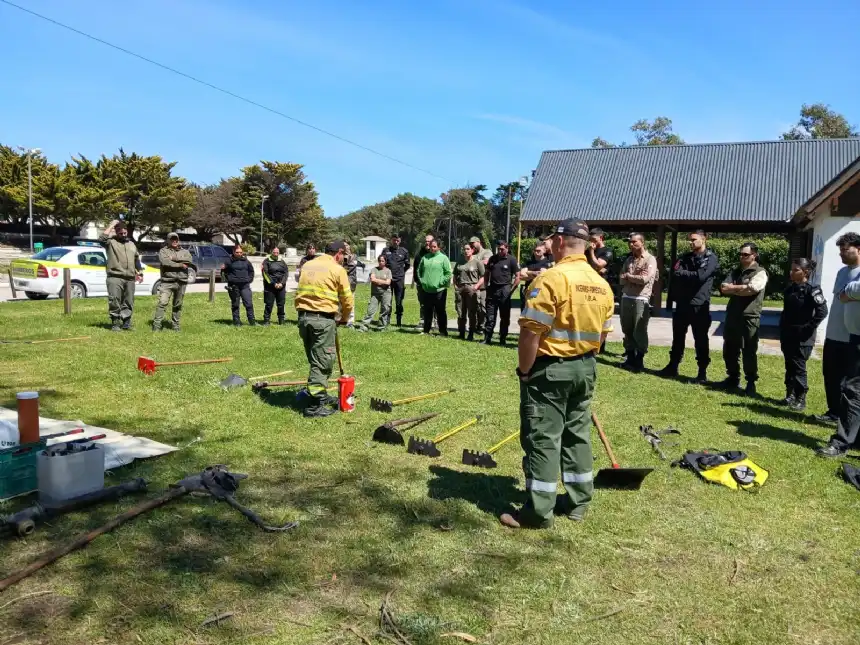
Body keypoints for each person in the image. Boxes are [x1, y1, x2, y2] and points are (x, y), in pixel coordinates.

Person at [500, 219, 614, 530]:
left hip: (550, 371)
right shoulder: (601, 284)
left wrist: (525, 372)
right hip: (586, 367)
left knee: (543, 438)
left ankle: (538, 512)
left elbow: (530, 336)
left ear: (560, 242)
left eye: (552, 240)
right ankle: (578, 503)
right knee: (577, 435)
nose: (549, 245)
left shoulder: (551, 279)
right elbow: (602, 336)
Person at [294, 240, 354, 418]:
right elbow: (347, 300)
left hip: (304, 319)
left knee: (315, 358)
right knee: (323, 361)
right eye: (343, 255)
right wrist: (343, 318)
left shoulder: (308, 265)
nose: (343, 259)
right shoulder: (337, 269)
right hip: (323, 320)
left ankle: (318, 394)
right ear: (339, 253)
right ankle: (315, 405)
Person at [817, 232, 860, 457]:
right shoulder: (843, 272)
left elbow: (849, 293)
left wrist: (849, 292)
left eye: (846, 249)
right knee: (840, 384)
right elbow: (841, 298)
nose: (842, 253)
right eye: (841, 250)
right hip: (842, 334)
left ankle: (842, 442)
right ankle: (849, 432)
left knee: (852, 390)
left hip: (854, 338)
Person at [659, 230, 719, 383]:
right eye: (690, 240)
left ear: (704, 239)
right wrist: (688, 274)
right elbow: (675, 273)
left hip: (699, 305)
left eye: (694, 239)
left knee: (700, 339)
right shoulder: (685, 257)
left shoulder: (710, 258)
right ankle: (673, 366)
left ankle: (702, 371)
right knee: (678, 337)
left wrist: (685, 274)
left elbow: (701, 277)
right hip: (682, 304)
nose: (691, 242)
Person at [718, 243, 769, 395]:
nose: (742, 257)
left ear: (754, 255)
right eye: (740, 254)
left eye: (745, 254)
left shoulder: (760, 272)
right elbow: (723, 288)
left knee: (748, 350)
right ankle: (733, 377)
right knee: (730, 348)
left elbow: (753, 289)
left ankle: (751, 382)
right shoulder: (736, 271)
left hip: (749, 316)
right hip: (733, 314)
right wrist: (741, 288)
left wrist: (734, 288)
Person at [779, 258, 828, 411]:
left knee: (799, 366)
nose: (791, 273)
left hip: (803, 336)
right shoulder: (790, 289)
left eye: (796, 270)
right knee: (789, 364)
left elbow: (822, 311)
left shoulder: (812, 289)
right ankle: (790, 394)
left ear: (805, 272)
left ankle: (801, 398)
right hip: (788, 333)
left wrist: (808, 328)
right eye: (791, 269)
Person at [618, 233, 657, 371]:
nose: (631, 244)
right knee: (627, 329)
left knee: (639, 330)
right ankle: (630, 358)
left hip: (641, 298)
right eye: (629, 242)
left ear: (642, 242)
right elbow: (621, 279)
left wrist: (629, 276)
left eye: (634, 242)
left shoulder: (650, 259)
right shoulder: (629, 259)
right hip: (626, 297)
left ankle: (639, 360)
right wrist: (631, 277)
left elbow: (645, 279)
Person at [99, 219, 143, 331]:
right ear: (116, 232)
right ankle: (115, 323)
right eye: (120, 233)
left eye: (125, 233)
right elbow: (101, 239)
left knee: (128, 301)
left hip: (130, 278)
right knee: (115, 300)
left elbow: (136, 258)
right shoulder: (111, 242)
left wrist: (140, 272)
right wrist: (112, 225)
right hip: (115, 276)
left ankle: (126, 322)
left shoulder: (131, 244)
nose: (123, 235)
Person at [152, 232, 194, 332]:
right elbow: (165, 262)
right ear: (168, 240)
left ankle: (175, 325)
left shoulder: (185, 251)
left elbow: (189, 260)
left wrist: (174, 258)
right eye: (172, 239)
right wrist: (180, 264)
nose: (174, 241)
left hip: (181, 281)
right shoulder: (163, 251)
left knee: (178, 304)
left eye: (176, 239)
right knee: (162, 302)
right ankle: (157, 325)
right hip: (167, 281)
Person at [483, 241, 520, 346]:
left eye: (502, 249)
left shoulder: (511, 260)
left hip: (505, 290)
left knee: (504, 317)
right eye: (498, 249)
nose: (500, 251)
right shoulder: (493, 259)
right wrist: (486, 286)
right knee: (490, 316)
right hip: (492, 290)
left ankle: (502, 338)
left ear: (507, 248)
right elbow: (487, 273)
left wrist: (511, 290)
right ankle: (487, 338)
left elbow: (518, 276)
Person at [416, 239, 452, 336]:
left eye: (434, 247)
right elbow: (419, 271)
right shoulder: (425, 258)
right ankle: (426, 330)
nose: (432, 248)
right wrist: (423, 282)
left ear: (439, 247)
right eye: (431, 246)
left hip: (439, 290)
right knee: (427, 311)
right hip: (427, 290)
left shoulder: (443, 258)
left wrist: (441, 282)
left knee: (440, 311)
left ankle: (443, 332)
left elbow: (448, 273)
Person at [453, 243, 486, 340]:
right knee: (460, 311)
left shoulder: (477, 262)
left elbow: (483, 276)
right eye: (464, 249)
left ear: (472, 250)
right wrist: (455, 286)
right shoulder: (460, 262)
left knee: (472, 312)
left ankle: (471, 333)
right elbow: (455, 275)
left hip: (472, 288)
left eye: (468, 249)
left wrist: (476, 286)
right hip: (461, 289)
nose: (466, 251)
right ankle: (461, 332)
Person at [221, 245, 256, 326]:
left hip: (245, 286)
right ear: (233, 252)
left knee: (249, 303)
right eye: (237, 252)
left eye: (240, 252)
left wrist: (249, 280)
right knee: (235, 304)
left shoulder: (246, 261)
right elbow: (223, 274)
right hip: (234, 286)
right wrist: (229, 279)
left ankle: (252, 321)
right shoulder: (228, 261)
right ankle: (236, 321)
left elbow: (251, 271)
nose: (239, 254)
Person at [359, 254, 392, 331]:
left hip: (386, 293)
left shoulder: (388, 271)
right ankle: (364, 326)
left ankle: (381, 327)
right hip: (375, 293)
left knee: (385, 310)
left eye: (382, 261)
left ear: (385, 262)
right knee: (370, 310)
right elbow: (372, 279)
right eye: (379, 261)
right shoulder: (374, 269)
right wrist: (382, 282)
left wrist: (378, 281)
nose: (381, 262)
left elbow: (388, 283)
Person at [382, 234, 410, 327]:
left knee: (399, 301)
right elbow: (382, 263)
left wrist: (401, 272)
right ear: (391, 240)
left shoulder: (404, 251)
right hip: (388, 279)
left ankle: (398, 321)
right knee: (387, 301)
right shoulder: (385, 251)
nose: (396, 242)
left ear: (400, 241)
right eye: (394, 240)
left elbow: (407, 265)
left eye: (397, 240)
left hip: (399, 280)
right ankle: (387, 321)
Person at [470, 236, 493, 332]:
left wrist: (474, 261)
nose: (472, 245)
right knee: (474, 306)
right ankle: (476, 325)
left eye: (473, 243)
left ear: (479, 242)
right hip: (473, 284)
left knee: (483, 306)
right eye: (470, 244)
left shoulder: (486, 252)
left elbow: (487, 261)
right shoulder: (472, 253)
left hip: (484, 284)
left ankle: (483, 325)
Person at [261, 246, 288, 325]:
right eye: (274, 252)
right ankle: (266, 320)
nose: (276, 254)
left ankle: (281, 320)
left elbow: (286, 273)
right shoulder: (266, 261)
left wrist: (282, 283)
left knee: (281, 304)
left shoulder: (282, 261)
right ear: (271, 252)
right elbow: (265, 274)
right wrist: (274, 284)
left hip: (281, 286)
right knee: (269, 304)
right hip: (270, 286)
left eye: (277, 252)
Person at [414, 234, 435, 329]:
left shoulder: (439, 254)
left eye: (429, 241)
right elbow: (415, 268)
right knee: (423, 303)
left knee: (434, 303)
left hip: (434, 284)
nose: (427, 243)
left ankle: (435, 322)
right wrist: (417, 281)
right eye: (426, 241)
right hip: (421, 283)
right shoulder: (419, 254)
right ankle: (423, 321)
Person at [342, 243, 365, 327]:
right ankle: (340, 319)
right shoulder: (339, 256)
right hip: (341, 283)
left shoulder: (354, 256)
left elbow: (350, 266)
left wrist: (346, 259)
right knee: (340, 302)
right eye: (344, 245)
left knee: (350, 302)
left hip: (351, 283)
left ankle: (350, 321)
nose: (345, 247)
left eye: (347, 245)